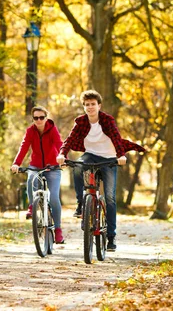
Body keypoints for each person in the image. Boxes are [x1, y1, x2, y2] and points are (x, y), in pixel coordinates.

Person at [56, 90, 145, 251]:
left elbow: (117, 139)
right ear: (84, 107)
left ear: (99, 106)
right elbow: (69, 140)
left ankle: (111, 236)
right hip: (91, 155)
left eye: (93, 104)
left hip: (109, 158)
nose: (90, 107)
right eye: (87, 105)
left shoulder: (107, 120)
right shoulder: (81, 122)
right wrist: (62, 153)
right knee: (76, 167)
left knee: (110, 198)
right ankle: (81, 203)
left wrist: (120, 155)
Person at [11, 106, 65, 244]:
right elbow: (24, 147)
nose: (39, 120)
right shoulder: (30, 131)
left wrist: (63, 157)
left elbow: (59, 144)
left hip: (53, 166)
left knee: (53, 198)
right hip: (35, 165)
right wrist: (16, 163)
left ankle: (58, 230)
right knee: (30, 178)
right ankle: (32, 206)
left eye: (41, 117)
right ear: (33, 119)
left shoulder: (52, 129)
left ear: (46, 117)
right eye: (36, 118)